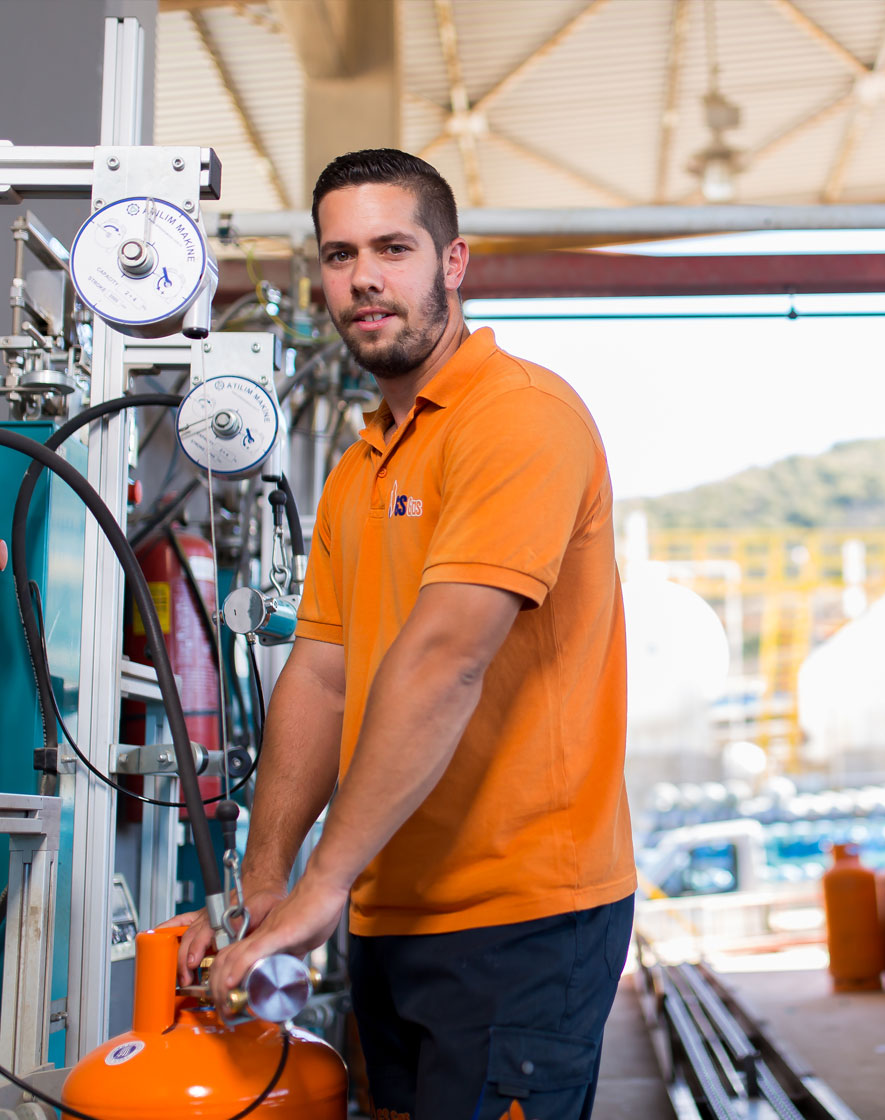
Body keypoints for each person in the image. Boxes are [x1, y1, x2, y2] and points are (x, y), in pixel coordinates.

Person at [170, 148, 634, 1120]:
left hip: (521, 920)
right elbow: (321, 676)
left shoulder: (517, 420)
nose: (364, 279)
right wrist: (266, 885)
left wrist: (322, 881)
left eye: (394, 248)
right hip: (388, 916)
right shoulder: (360, 468)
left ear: (452, 262)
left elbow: (443, 660)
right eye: (340, 256)